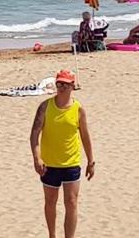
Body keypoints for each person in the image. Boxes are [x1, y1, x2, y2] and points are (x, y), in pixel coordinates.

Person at [29, 70, 95, 238]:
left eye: (65, 84)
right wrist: (37, 158)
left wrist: (91, 161)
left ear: (73, 86)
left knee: (71, 202)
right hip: (49, 164)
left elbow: (85, 136)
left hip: (71, 163)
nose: (62, 87)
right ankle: (52, 235)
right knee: (50, 202)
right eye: (59, 84)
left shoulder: (78, 109)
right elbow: (35, 133)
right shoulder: (45, 107)